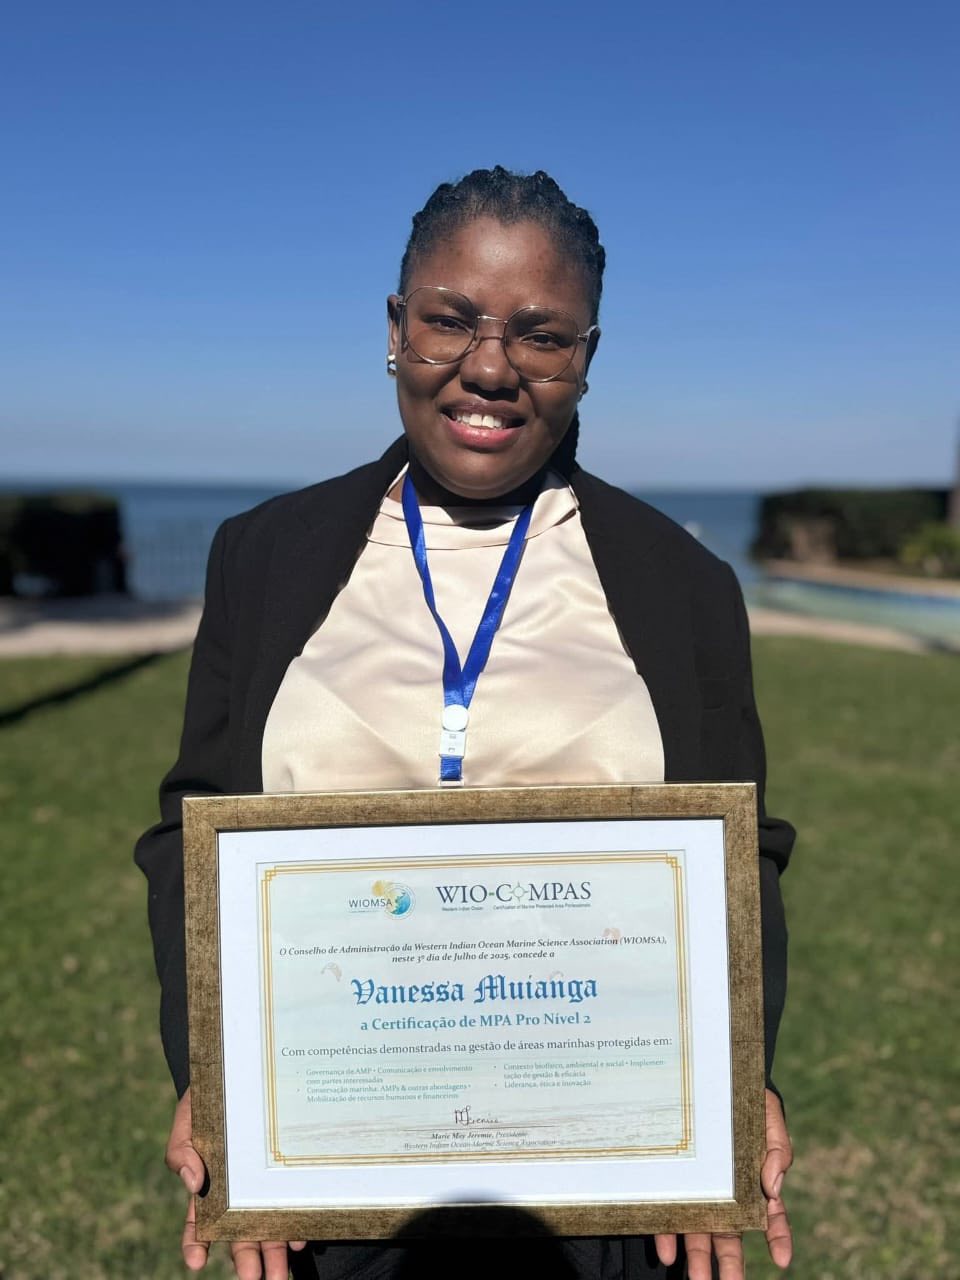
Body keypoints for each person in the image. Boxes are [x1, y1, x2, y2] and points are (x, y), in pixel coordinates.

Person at [136, 166, 795, 1280]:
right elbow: (194, 828)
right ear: (396, 329)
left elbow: (741, 856)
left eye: (542, 335)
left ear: (586, 356)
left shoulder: (683, 584)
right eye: (451, 319)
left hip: (607, 1183)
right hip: (328, 1177)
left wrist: (737, 1083)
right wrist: (210, 1070)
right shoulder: (264, 554)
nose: (489, 366)